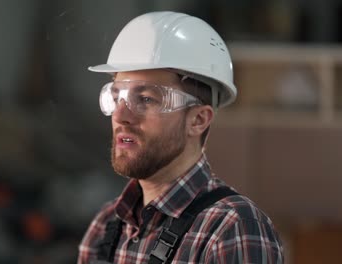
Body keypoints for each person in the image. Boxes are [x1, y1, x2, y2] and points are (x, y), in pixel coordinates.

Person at [78, 11, 284, 264]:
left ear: (198, 120)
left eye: (145, 99)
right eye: (117, 96)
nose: (121, 115)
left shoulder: (230, 229)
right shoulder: (106, 226)